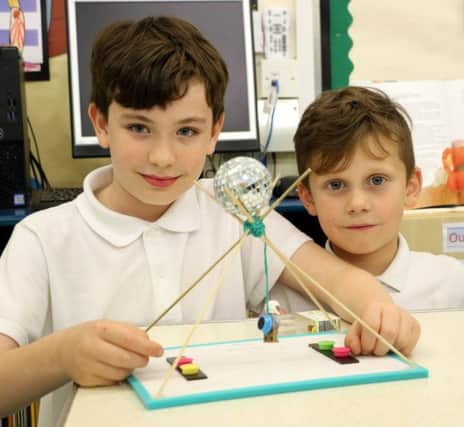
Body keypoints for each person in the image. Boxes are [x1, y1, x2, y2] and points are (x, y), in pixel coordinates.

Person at [0, 18, 420, 421]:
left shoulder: (231, 209)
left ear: (215, 130)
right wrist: (61, 356)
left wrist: (377, 307)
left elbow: (333, 278)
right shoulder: (42, 238)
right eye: (139, 128)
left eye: (186, 132)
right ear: (100, 124)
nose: (162, 157)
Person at [294, 86, 464, 313]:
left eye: (376, 180)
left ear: (411, 188)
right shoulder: (287, 296)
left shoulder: (453, 284)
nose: (357, 204)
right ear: (308, 198)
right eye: (336, 185)